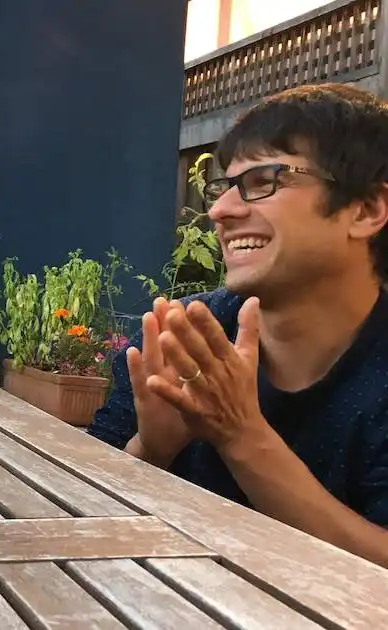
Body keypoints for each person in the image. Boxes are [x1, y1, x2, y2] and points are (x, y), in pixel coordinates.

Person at [88, 83, 388, 568]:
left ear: (365, 210)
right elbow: (79, 519)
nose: (221, 211)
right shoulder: (180, 337)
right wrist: (151, 450)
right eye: (224, 187)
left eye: (264, 180)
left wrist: (242, 437)